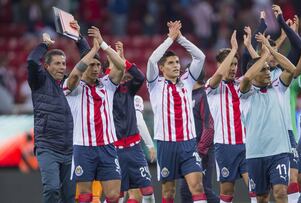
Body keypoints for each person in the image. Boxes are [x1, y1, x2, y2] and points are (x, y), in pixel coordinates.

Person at [146, 20, 207, 203]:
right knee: (168, 192)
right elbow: (151, 60)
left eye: (177, 62)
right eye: (171, 63)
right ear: (162, 68)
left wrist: (180, 39)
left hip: (188, 143)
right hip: (166, 144)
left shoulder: (187, 81)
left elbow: (200, 57)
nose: (176, 65)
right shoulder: (155, 84)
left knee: (197, 186)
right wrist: (169, 39)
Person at [63, 26, 125, 203]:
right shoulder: (73, 88)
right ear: (84, 66)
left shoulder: (107, 84)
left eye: (98, 65)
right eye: (92, 65)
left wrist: (103, 45)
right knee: (84, 196)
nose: (96, 68)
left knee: (113, 195)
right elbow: (75, 74)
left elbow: (121, 67)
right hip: (83, 147)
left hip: (107, 146)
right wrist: (92, 51)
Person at [240, 32, 297, 203]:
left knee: (280, 192)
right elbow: (248, 77)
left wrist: (270, 50)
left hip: (279, 151)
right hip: (255, 153)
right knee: (262, 198)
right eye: (263, 69)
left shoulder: (278, 87)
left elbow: (292, 69)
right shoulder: (245, 93)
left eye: (268, 68)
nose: (268, 72)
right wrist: (263, 55)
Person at [27, 32, 75, 203]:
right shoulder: (39, 81)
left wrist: (80, 39)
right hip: (47, 146)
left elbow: (86, 67)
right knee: (53, 189)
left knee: (70, 197)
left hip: (69, 148)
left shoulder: (69, 83)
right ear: (46, 66)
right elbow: (32, 61)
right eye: (57, 64)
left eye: (63, 63)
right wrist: (45, 45)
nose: (62, 67)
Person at [109, 41, 155, 203]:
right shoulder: (106, 93)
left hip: (134, 149)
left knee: (145, 191)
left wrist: (121, 59)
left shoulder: (132, 95)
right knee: (118, 195)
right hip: (115, 150)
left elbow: (140, 121)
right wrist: (114, 57)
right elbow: (112, 76)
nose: (124, 78)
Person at [205, 30, 248, 203]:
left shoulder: (242, 84)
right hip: (224, 145)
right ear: (220, 65)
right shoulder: (212, 86)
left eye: (235, 64)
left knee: (254, 187)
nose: (232, 68)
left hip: (246, 144)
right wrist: (233, 50)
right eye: (229, 64)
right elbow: (219, 76)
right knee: (227, 192)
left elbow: (255, 69)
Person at [179, 68, 219, 203]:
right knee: (186, 191)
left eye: (186, 73)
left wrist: (200, 151)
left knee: (203, 190)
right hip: (190, 150)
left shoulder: (203, 95)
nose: (183, 76)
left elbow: (209, 126)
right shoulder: (188, 95)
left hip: (202, 151)